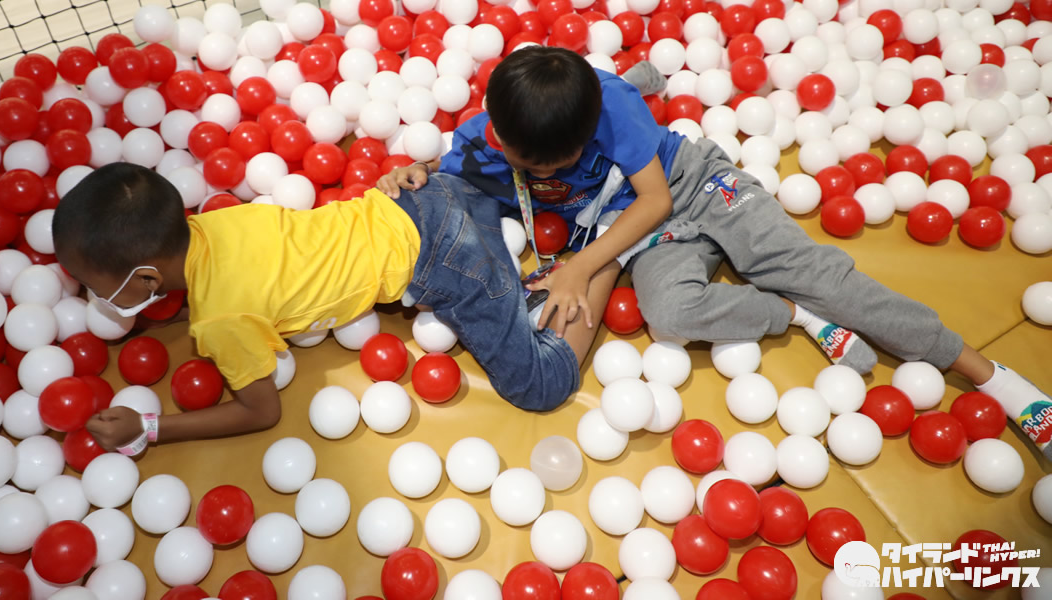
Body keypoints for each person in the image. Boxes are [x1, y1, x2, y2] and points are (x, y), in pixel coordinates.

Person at [378, 45, 1051, 460]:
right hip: (642, 235)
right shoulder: (492, 134)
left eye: (541, 164)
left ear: (580, 142)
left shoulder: (614, 108)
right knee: (670, 317)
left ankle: (989, 374)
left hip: (693, 187)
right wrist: (412, 171)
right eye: (519, 158)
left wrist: (581, 265)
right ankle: (793, 314)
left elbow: (654, 201)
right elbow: (452, 171)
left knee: (813, 272)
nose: (525, 167)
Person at [52, 161, 580, 453]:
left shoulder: (219, 322)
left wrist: (149, 428)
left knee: (539, 386)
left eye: (95, 285)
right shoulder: (213, 222)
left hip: (442, 256)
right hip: (428, 194)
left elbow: (262, 411)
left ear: (147, 278)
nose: (93, 296)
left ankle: (593, 269)